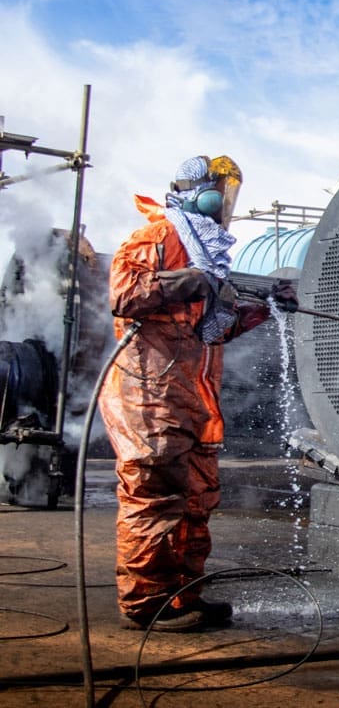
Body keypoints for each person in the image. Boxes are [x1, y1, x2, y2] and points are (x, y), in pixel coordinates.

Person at [98, 155, 297, 632]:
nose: (226, 205)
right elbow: (125, 294)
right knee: (155, 499)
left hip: (189, 400)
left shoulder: (205, 252)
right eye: (223, 192)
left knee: (195, 500)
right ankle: (147, 604)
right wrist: (195, 279)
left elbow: (212, 332)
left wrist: (265, 308)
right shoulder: (159, 236)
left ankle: (182, 596)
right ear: (201, 191)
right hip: (150, 397)